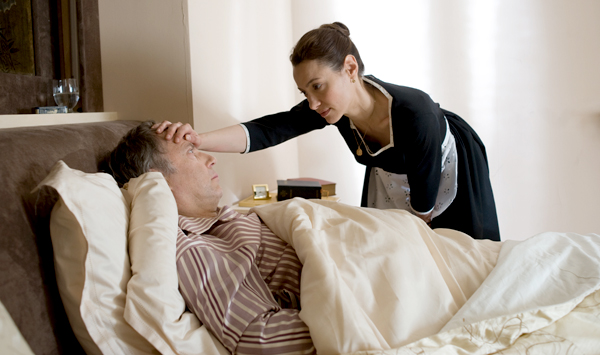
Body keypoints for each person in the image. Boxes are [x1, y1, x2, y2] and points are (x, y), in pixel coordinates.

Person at [154, 22, 500, 241]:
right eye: (306, 93)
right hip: (393, 174)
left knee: (458, 251)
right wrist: (197, 139)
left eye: (318, 86)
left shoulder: (415, 112)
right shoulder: (333, 109)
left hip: (446, 165)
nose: (314, 102)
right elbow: (269, 130)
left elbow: (424, 209)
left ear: (350, 68)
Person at [108, 121, 316, 355]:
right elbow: (261, 337)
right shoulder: (196, 246)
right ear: (160, 181)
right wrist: (356, 320)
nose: (211, 159)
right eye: (191, 151)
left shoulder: (225, 222)